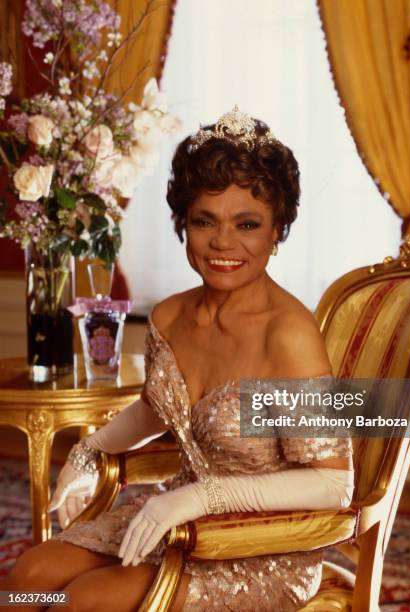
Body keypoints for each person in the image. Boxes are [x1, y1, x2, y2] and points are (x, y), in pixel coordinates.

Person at [0, 107, 354, 611]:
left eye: (247, 224)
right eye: (204, 221)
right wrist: (88, 453)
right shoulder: (170, 316)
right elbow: (154, 412)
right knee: (28, 577)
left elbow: (333, 484)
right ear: (184, 225)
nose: (223, 243)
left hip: (260, 548)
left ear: (277, 232)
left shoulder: (288, 335)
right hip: (176, 524)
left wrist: (194, 499)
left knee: (81, 601)